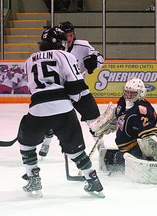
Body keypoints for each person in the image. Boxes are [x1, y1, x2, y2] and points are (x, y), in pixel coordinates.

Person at [19, 26, 104, 198]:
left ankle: (33, 176)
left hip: (38, 109)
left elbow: (34, 89)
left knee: (26, 143)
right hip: (64, 109)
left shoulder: (29, 60)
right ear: (59, 42)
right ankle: (92, 179)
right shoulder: (65, 55)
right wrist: (89, 113)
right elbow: (76, 87)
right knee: (75, 149)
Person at [39, 21, 105, 157]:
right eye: (66, 36)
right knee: (51, 120)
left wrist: (94, 61)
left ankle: (102, 147)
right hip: (59, 92)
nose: (68, 39)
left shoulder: (83, 45)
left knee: (94, 121)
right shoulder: (52, 51)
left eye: (70, 35)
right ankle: (45, 144)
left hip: (79, 89)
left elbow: (100, 58)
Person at [91, 78, 157, 166]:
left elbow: (150, 132)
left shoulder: (141, 110)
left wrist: (153, 151)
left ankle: (147, 158)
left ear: (141, 93)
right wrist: (112, 120)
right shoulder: (123, 101)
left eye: (133, 93)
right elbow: (121, 115)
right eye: (127, 92)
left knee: (120, 161)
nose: (129, 95)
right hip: (124, 148)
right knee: (116, 159)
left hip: (136, 149)